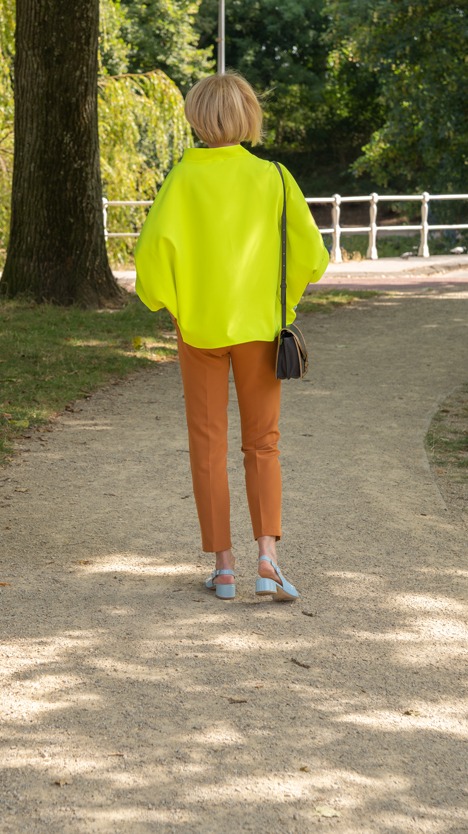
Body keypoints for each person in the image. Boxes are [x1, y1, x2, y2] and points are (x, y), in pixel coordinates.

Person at [134, 72, 328, 601]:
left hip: (199, 329)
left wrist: (173, 306)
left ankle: (224, 567)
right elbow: (313, 257)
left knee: (208, 443)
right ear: (248, 117)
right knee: (263, 443)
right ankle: (268, 559)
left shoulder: (181, 179)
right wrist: (280, 303)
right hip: (260, 330)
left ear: (197, 118)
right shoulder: (275, 178)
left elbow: (150, 259)